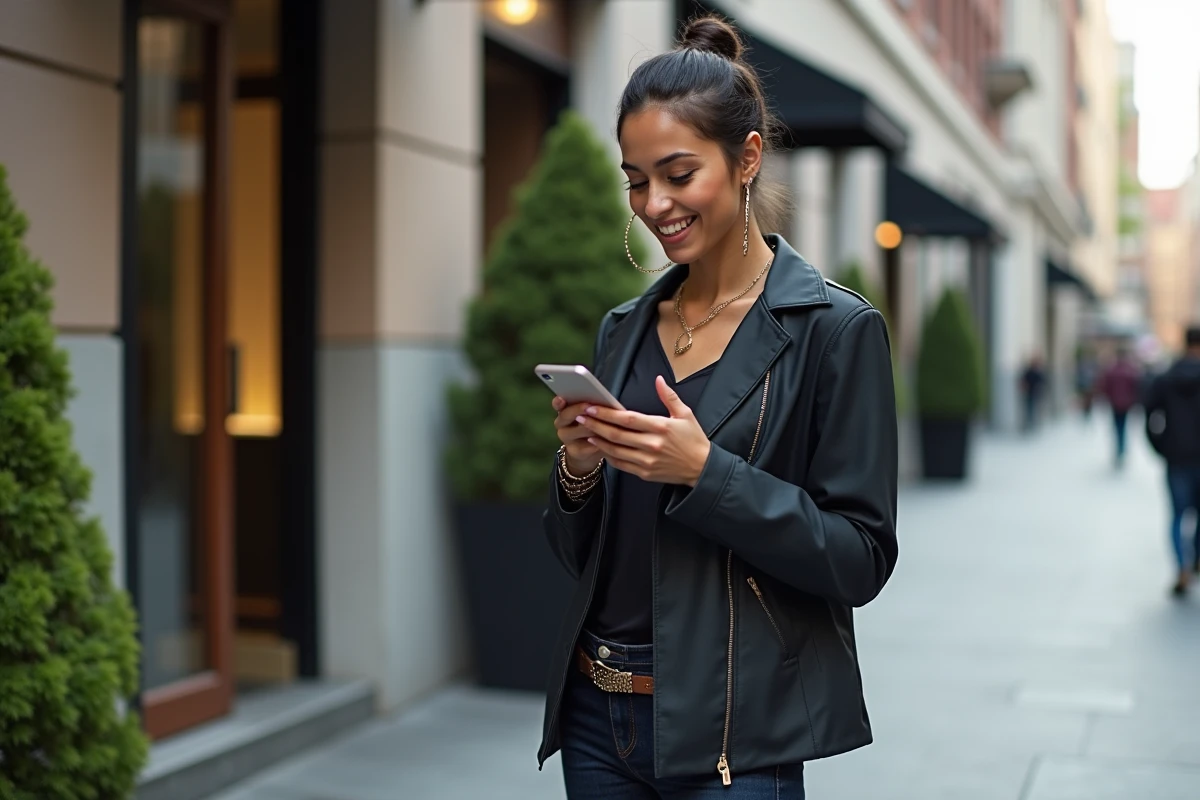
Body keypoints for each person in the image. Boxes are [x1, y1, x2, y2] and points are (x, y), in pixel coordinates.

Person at [539, 15, 898, 799]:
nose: (654, 203)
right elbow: (581, 557)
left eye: (678, 173)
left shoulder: (835, 330)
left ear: (747, 158)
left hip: (736, 732)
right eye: (637, 180)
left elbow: (861, 558)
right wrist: (579, 470)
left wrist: (708, 474)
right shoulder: (624, 330)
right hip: (597, 718)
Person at [1144, 325, 1200, 596]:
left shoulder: (1165, 377)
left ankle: (1181, 566)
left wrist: (1161, 447)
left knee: (1178, 515)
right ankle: (1196, 557)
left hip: (1176, 458)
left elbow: (1150, 417)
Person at [1099, 347, 1143, 468]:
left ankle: (1119, 450)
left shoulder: (1111, 370)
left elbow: (1105, 387)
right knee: (1123, 427)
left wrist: (1108, 399)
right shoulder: (1132, 370)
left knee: (1118, 427)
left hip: (1115, 404)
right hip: (1127, 404)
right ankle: (1122, 449)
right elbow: (1137, 388)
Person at [1019, 355, 1046, 433]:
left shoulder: (1038, 372)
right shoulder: (1028, 372)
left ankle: (1035, 424)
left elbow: (1043, 382)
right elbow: (1023, 381)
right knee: (1029, 410)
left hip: (1037, 395)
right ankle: (1029, 424)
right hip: (1029, 394)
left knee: (1036, 410)